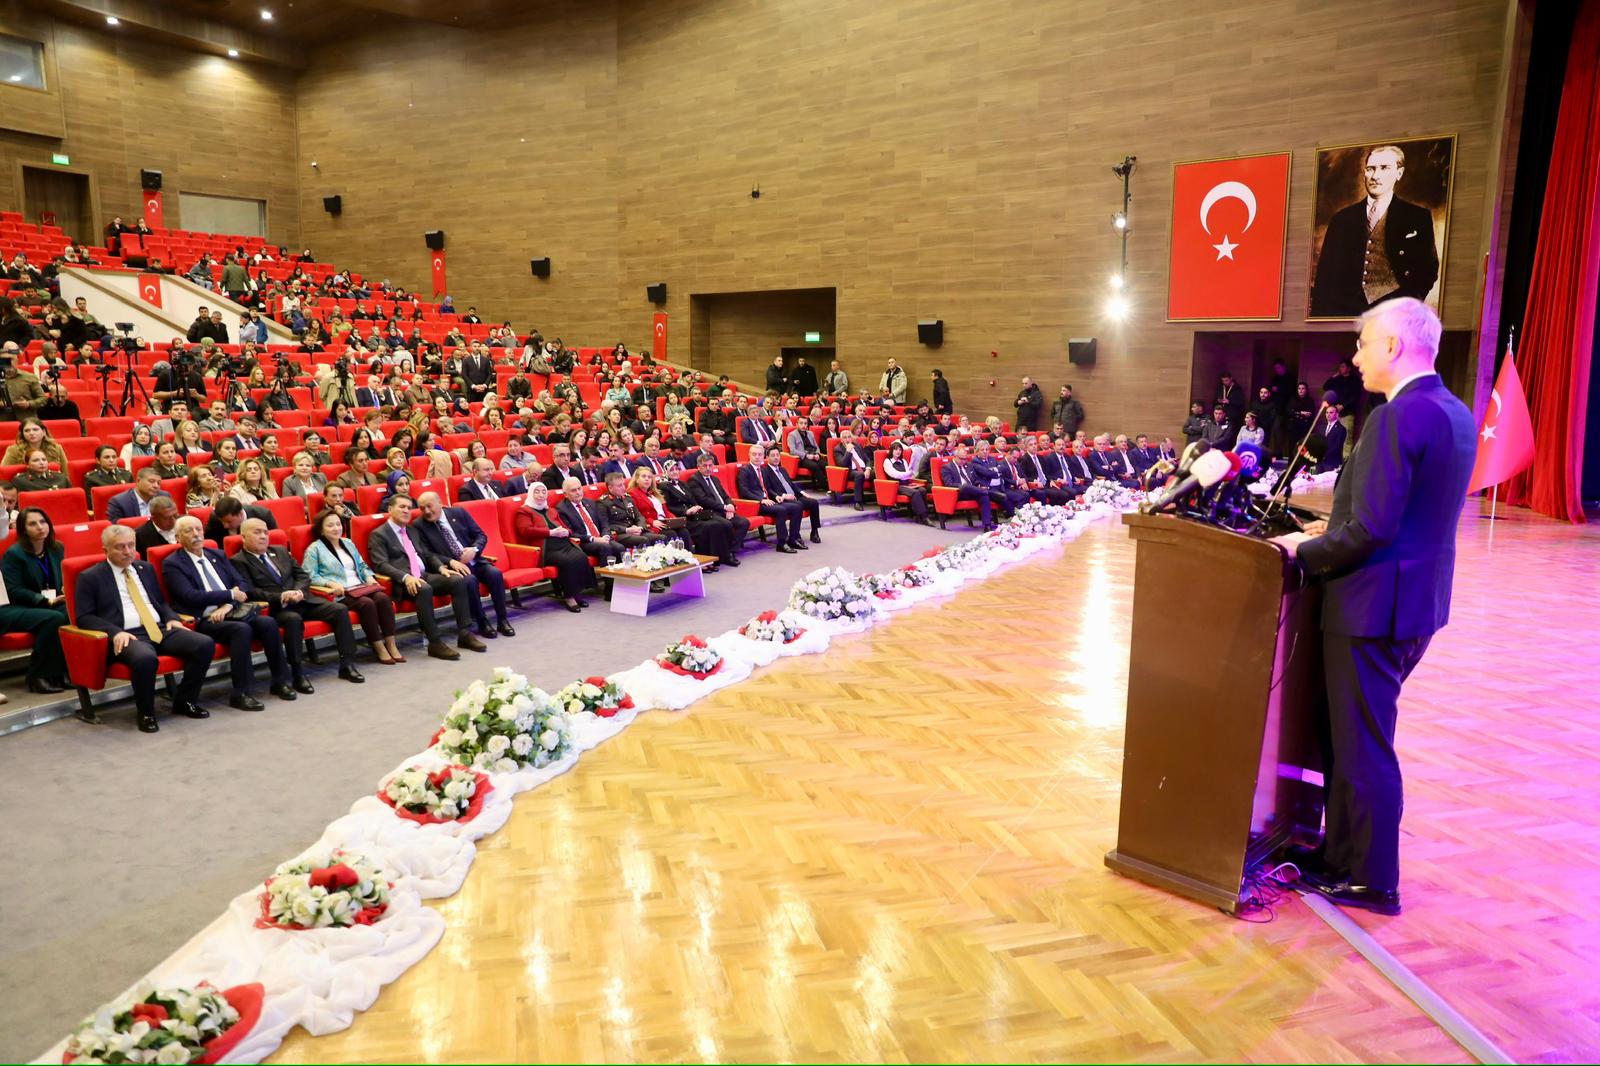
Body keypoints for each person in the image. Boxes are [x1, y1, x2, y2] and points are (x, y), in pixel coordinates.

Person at [1270, 298, 1475, 916]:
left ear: (1392, 347)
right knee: (1348, 734)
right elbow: (1401, 516)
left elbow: (1370, 530)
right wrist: (1328, 529)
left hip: (1370, 606)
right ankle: (1338, 855)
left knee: (1362, 744)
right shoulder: (1454, 411)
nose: (1354, 358)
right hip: (1411, 603)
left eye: (1362, 345)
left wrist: (1302, 550)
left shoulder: (1394, 416)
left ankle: (1370, 877)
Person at [72, 526, 216, 733]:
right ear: (106, 551)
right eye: (120, 547)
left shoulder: (144, 568)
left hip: (158, 628)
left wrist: (171, 618)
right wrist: (115, 632)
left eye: (131, 545)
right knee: (145, 658)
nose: (127, 551)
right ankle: (146, 713)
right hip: (127, 634)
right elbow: (84, 617)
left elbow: (159, 602)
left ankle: (185, 701)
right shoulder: (91, 577)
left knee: (203, 644)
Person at [162, 515, 293, 710]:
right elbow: (190, 596)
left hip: (231, 611)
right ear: (178, 537)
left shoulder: (217, 555)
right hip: (204, 618)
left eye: (198, 529)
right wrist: (229, 594)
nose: (196, 534)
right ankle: (241, 692)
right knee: (241, 630)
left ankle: (280, 681)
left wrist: (228, 604)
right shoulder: (173, 563)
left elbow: (241, 583)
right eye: (189, 531)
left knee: (268, 623)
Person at [1309, 145, 1440, 319]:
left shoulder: (1417, 217)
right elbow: (1325, 276)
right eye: (1370, 169)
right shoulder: (1342, 219)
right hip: (1344, 313)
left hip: (1393, 315)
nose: (1375, 176)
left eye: (1384, 168)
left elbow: (1427, 270)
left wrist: (1406, 305)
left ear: (1399, 173)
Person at [365, 494, 483, 658]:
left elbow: (426, 554)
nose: (406, 510)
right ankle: (434, 643)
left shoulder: (412, 530)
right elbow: (380, 564)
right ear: (390, 509)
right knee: (424, 588)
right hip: (404, 583)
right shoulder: (379, 534)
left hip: (424, 575)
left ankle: (465, 633)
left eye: (408, 507)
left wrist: (441, 567)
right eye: (402, 507)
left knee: (457, 580)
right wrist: (406, 577)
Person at [301, 508, 403, 666]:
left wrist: (369, 577)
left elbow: (362, 566)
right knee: (367, 604)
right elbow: (308, 575)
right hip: (340, 592)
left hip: (360, 586)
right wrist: (329, 583)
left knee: (383, 598)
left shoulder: (348, 543)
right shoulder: (315, 549)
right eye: (330, 526)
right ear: (321, 530)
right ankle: (378, 646)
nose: (336, 528)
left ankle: (391, 644)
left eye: (338, 524)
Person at [413, 491, 515, 639]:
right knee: (470, 580)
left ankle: (502, 619)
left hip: (474, 560)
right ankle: (482, 622)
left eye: (429, 506)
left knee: (495, 574)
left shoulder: (458, 512)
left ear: (440, 503)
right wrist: (450, 561)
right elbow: (427, 553)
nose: (427, 512)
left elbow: (481, 535)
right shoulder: (419, 525)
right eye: (422, 508)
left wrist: (474, 549)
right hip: (453, 568)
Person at [0, 507, 69, 693]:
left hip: (47, 603)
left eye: (43, 522)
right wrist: (44, 601)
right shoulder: (15, 554)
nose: (40, 527)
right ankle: (38, 675)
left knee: (72, 614)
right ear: (23, 529)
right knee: (53, 618)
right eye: (33, 524)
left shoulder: (56, 548)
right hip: (13, 607)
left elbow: (61, 578)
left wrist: (64, 591)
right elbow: (12, 590)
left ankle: (61, 672)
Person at [512, 482, 593, 612]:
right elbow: (525, 531)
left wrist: (567, 531)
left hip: (562, 543)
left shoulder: (551, 510)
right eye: (537, 492)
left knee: (581, 556)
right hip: (545, 548)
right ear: (531, 494)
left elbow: (564, 525)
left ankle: (576, 592)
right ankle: (569, 596)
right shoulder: (524, 511)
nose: (541, 495)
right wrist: (550, 532)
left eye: (543, 492)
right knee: (568, 561)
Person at [761, 444, 822, 547]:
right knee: (798, 505)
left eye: (777, 455)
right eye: (773, 455)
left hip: (794, 496)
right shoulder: (765, 471)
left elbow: (792, 484)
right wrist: (784, 495)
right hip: (782, 498)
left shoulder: (782, 469)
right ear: (767, 458)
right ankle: (795, 536)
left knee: (813, 503)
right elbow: (769, 489)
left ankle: (814, 531)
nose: (776, 457)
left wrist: (802, 493)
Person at [555, 477, 625, 565]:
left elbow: (603, 523)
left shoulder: (590, 502)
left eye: (579, 488)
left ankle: (621, 577)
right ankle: (608, 578)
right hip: (584, 541)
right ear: (565, 494)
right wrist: (593, 539)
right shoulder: (562, 509)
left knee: (619, 548)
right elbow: (570, 532)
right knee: (605, 547)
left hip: (601, 538)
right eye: (573, 490)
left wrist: (605, 535)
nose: (578, 492)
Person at [938, 441, 998, 530]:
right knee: (966, 486)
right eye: (961, 459)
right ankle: (990, 492)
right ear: (955, 457)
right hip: (958, 493)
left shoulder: (968, 465)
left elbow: (975, 480)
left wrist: (978, 484)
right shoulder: (947, 467)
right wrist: (967, 487)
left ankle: (987, 525)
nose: (964, 461)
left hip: (973, 491)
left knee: (984, 496)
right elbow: (949, 484)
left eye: (965, 459)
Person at [597, 472, 665, 549]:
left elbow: (639, 516)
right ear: (610, 488)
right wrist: (627, 530)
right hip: (620, 534)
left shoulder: (627, 498)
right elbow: (606, 525)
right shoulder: (603, 502)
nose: (623, 487)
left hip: (635, 530)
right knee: (643, 540)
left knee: (661, 538)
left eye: (623, 484)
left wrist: (640, 527)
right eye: (619, 485)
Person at [881, 442, 930, 523]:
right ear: (891, 451)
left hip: (906, 483)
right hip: (896, 485)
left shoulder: (903, 461)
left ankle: (918, 515)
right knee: (915, 493)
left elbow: (908, 474)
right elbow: (894, 475)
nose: (898, 451)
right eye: (896, 449)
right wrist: (906, 475)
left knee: (922, 490)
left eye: (900, 449)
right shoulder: (887, 461)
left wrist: (906, 476)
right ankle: (924, 517)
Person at [832, 428, 873, 510]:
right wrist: (848, 451)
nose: (847, 439)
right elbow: (842, 465)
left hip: (864, 469)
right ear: (841, 440)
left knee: (877, 472)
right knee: (859, 474)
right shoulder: (838, 449)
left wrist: (868, 469)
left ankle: (885, 501)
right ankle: (858, 502)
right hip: (849, 471)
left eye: (849, 437)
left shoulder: (857, 445)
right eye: (845, 437)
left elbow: (868, 459)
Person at [4, 418, 68, 468]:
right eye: (27, 430)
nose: (31, 433)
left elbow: (66, 473)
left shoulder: (56, 448)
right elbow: (4, 472)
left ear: (44, 432)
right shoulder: (13, 450)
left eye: (35, 429)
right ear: (23, 434)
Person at [1312, 405, 1347, 472]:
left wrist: (1323, 454)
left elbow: (1337, 446)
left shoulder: (1341, 429)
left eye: (1331, 412)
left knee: (1327, 482)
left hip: (1331, 463)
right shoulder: (1321, 427)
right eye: (1327, 412)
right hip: (1318, 462)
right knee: (1314, 479)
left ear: (1337, 414)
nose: (1328, 414)